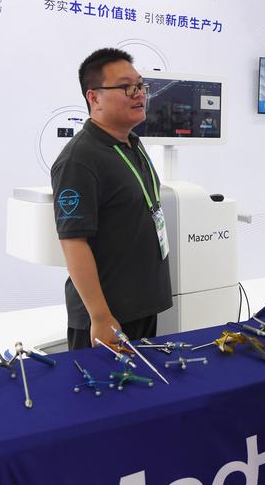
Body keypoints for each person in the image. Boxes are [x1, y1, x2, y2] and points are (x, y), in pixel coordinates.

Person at [52, 48, 173, 350]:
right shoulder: (79, 159)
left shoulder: (131, 142)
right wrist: (100, 316)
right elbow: (73, 241)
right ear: (94, 98)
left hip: (141, 305)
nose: (139, 94)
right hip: (108, 317)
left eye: (141, 85)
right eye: (126, 87)